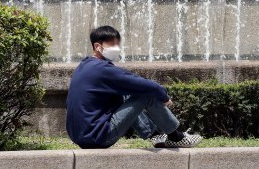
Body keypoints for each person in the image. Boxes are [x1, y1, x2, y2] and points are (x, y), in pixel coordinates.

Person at [66, 25, 203, 149]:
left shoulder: (84, 66)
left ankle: (155, 136)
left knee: (126, 91)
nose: (116, 48)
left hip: (80, 137)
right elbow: (149, 86)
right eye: (112, 44)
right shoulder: (103, 69)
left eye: (117, 44)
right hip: (99, 137)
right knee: (147, 94)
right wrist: (164, 96)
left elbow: (131, 83)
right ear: (97, 46)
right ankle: (176, 137)